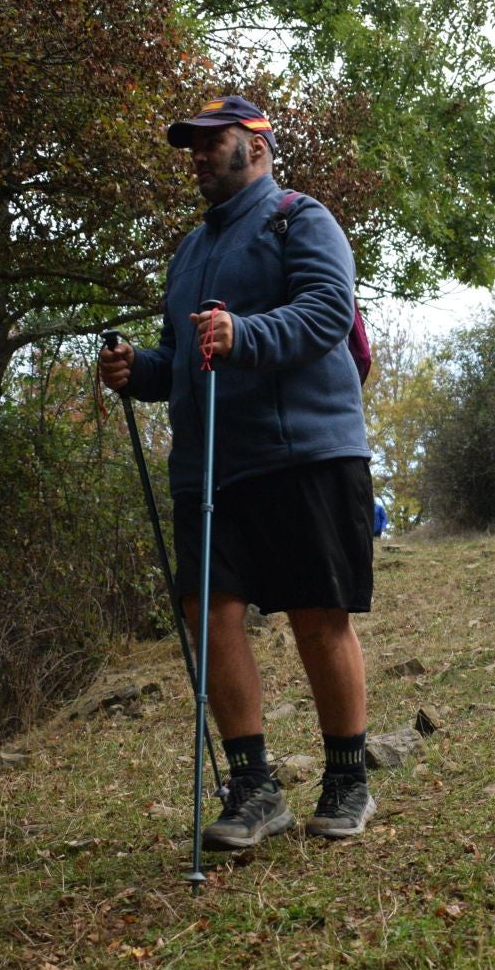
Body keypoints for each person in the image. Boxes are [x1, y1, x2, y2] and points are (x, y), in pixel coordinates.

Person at [98, 95, 377, 849]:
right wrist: (139, 370)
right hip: (211, 464)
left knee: (319, 614)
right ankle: (253, 789)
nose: (193, 154)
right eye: (186, 144)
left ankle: (348, 778)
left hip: (307, 451)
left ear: (254, 143)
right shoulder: (189, 251)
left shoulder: (302, 218)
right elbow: (182, 359)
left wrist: (242, 331)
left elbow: (326, 311)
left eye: (206, 140)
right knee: (207, 615)